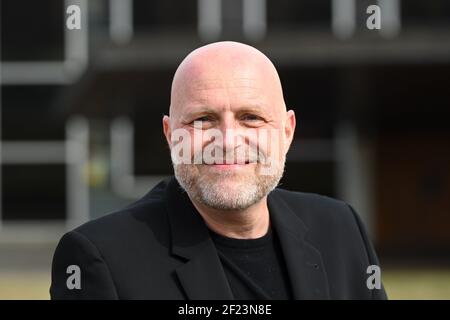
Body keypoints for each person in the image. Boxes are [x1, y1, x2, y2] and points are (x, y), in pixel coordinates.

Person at [50, 41, 387, 300]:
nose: (226, 141)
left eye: (251, 118)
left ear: (287, 131)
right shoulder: (99, 258)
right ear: (171, 136)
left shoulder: (342, 228)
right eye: (202, 120)